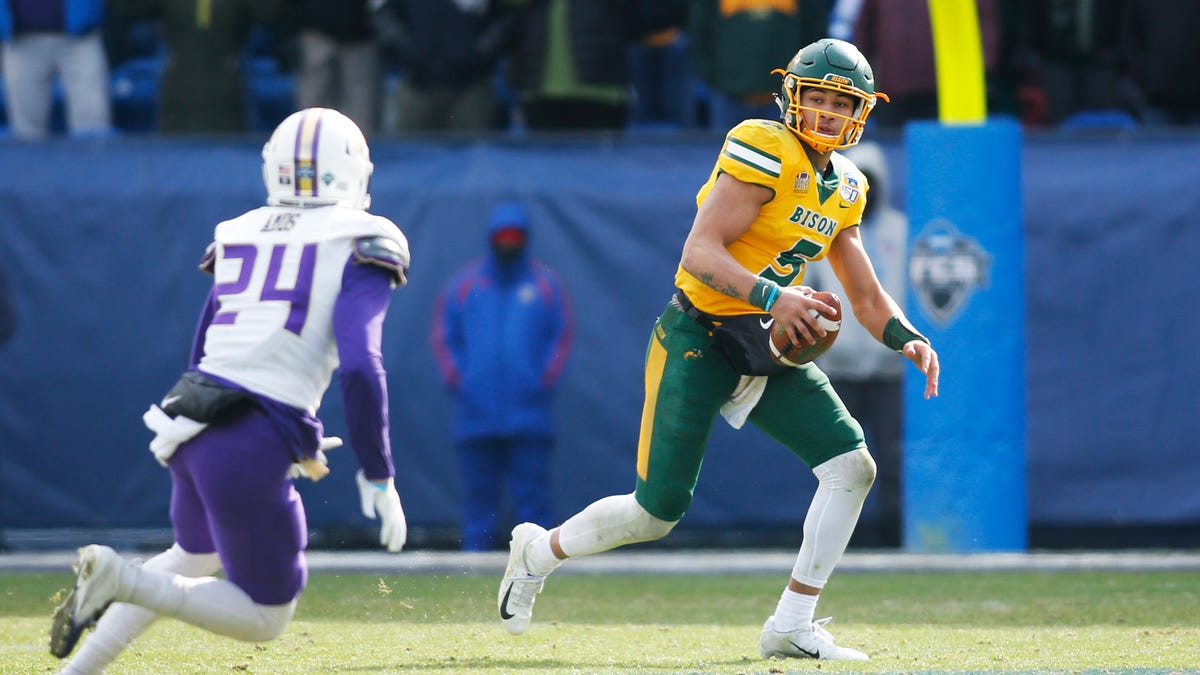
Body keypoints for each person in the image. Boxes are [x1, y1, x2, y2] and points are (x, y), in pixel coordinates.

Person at [496, 38, 939, 661]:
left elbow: (866, 295)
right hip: (699, 333)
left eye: (843, 104)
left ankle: (791, 622)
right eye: (817, 98)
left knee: (851, 467)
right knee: (656, 514)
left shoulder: (846, 185)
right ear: (792, 95)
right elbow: (700, 252)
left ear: (862, 112)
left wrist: (907, 337)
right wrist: (775, 298)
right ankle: (537, 552)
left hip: (764, 346)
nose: (828, 114)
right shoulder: (763, 145)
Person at [49, 107, 412, 673]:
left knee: (192, 558)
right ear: (356, 172)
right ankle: (121, 580)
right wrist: (378, 470)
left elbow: (204, 351)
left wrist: (282, 436)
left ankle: (78, 668)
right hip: (248, 436)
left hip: (194, 421)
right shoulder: (363, 237)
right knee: (265, 615)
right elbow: (362, 366)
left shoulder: (239, 231)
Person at [432, 201, 573, 551]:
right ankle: (475, 569)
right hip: (475, 414)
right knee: (478, 498)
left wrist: (541, 378)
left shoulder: (544, 286)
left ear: (524, 238)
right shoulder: (464, 285)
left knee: (533, 497)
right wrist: (460, 379)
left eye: (515, 236)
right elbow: (444, 337)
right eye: (502, 236)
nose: (508, 242)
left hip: (530, 414)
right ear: (491, 238)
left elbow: (561, 336)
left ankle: (539, 566)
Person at [803, 140, 907, 547]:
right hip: (838, 366)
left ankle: (892, 530)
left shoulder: (903, 231)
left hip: (889, 369)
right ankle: (841, 536)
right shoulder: (821, 233)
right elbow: (803, 294)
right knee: (839, 456)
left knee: (892, 454)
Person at [109, 0, 283, 134]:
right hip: (179, 93)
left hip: (228, 92)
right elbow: (127, 7)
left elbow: (270, 12)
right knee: (176, 166)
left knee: (228, 165)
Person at [370, 0, 517, 133]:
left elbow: (508, 14)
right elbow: (382, 12)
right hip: (417, 83)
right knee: (409, 154)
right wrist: (407, 49)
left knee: (473, 154)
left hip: (471, 86)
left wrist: (480, 51)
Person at [687, 0, 830, 131]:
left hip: (786, 95)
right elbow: (699, 31)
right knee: (723, 154)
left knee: (783, 156)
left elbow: (816, 34)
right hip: (727, 94)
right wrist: (711, 76)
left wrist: (802, 80)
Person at [0, 0, 112, 140]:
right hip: (21, 39)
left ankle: (95, 161)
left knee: (93, 128)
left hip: (81, 38)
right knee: (25, 132)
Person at [285, 0, 382, 133]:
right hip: (314, 32)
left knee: (362, 118)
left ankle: (358, 151)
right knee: (309, 117)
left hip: (361, 35)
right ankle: (308, 151)